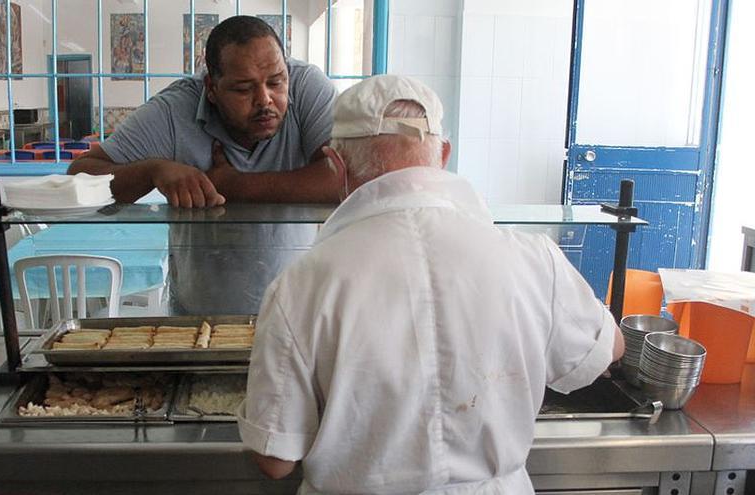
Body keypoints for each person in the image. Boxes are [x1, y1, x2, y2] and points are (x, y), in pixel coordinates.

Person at [237, 75, 625, 494]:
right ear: (442, 154)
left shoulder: (302, 285)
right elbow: (607, 351)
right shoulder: (531, 256)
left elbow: (275, 459)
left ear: (336, 164)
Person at [69, 16, 341, 315]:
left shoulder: (307, 86)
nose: (265, 100)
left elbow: (342, 178)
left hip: (295, 314)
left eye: (276, 82)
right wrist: (153, 170)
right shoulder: (175, 110)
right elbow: (79, 177)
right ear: (211, 87)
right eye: (242, 89)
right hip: (198, 318)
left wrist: (232, 185)